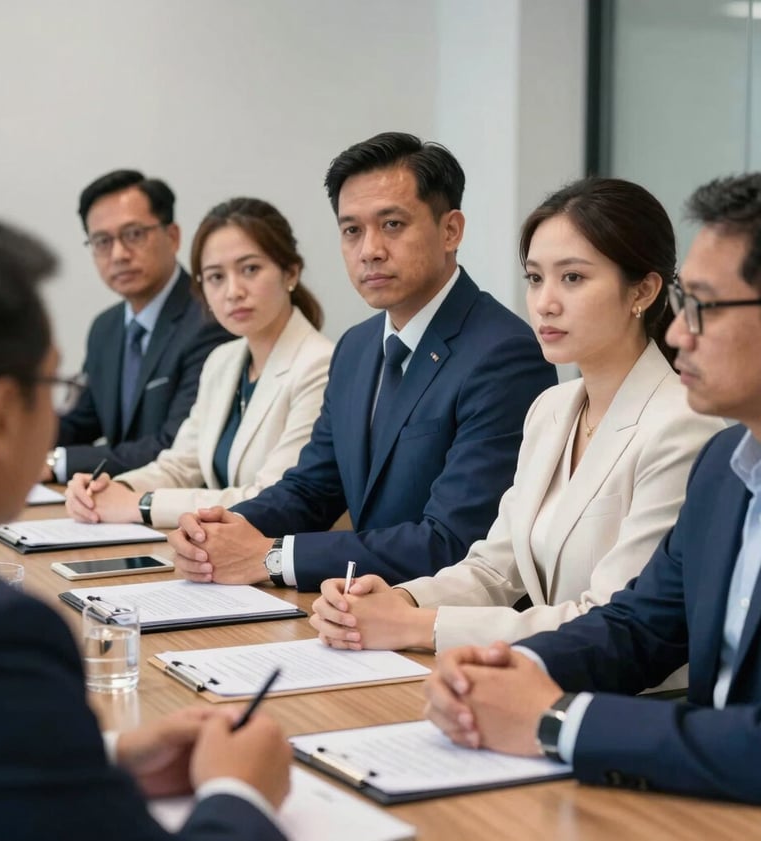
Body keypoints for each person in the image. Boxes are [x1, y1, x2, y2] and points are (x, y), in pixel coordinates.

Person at [423, 173, 761, 805]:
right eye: (535, 277)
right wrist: (510, 669)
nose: (681, 334)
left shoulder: (691, 434)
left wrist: (554, 721)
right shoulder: (727, 465)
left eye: (705, 308)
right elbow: (640, 625)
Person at [310, 177, 724, 653]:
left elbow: (612, 616)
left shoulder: (682, 425)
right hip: (539, 675)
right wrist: (399, 598)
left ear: (643, 291)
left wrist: (418, 627)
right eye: (534, 277)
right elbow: (494, 567)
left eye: (573, 278)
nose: (544, 302)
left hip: (630, 698)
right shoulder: (552, 409)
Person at [0, 217, 291, 840]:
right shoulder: (12, 636)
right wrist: (240, 793)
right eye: (57, 388)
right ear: (3, 414)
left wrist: (103, 761)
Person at [169, 131, 557, 591]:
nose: (369, 249)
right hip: (357, 613)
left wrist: (272, 557)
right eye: (352, 230)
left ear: (451, 230)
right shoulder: (356, 347)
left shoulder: (503, 353)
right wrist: (216, 528)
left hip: (449, 629)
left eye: (392, 224)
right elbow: (313, 488)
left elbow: (452, 541)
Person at [63, 198, 333, 529]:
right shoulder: (223, 360)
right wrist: (113, 488)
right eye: (216, 277)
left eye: (250, 269)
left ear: (290, 272)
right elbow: (181, 464)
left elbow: (273, 496)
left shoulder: (321, 365)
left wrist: (141, 504)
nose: (233, 291)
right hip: (217, 556)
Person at [41, 169, 230, 482]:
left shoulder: (210, 319)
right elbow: (81, 422)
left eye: (133, 235)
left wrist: (56, 463)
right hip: (111, 508)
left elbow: (174, 445)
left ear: (173, 237)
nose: (118, 254)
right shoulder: (106, 327)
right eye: (102, 241)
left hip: (180, 508)